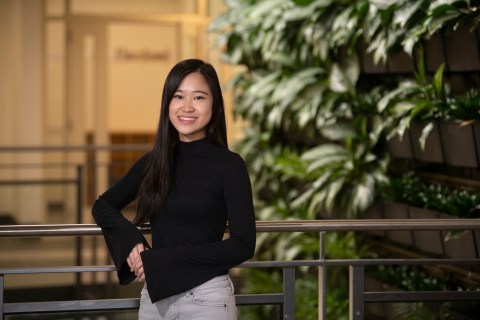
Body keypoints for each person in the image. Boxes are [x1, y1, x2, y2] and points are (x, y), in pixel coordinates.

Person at [92, 59, 256, 319]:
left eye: (199, 97)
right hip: (156, 298)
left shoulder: (229, 165)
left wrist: (160, 261)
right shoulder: (155, 162)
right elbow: (103, 205)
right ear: (168, 103)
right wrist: (133, 242)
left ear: (214, 106)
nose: (187, 106)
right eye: (178, 96)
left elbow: (243, 245)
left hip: (207, 298)